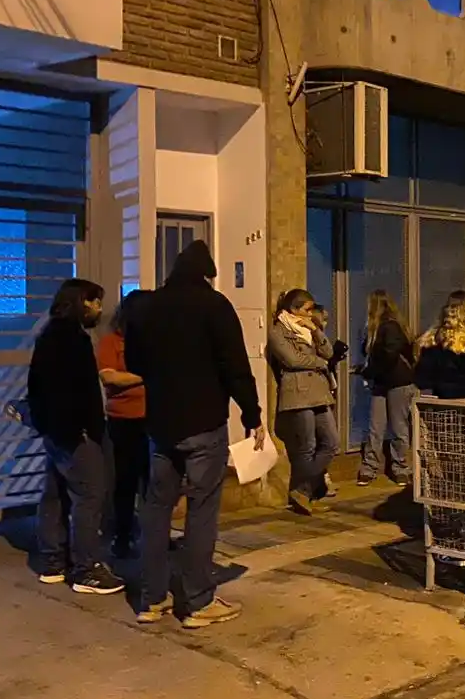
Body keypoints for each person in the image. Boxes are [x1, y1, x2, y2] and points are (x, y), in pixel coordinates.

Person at [127, 240, 264, 629]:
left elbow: (135, 362)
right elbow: (235, 365)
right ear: (206, 274)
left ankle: (151, 599)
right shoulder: (214, 305)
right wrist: (252, 414)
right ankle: (199, 602)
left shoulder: (147, 308)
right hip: (203, 423)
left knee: (155, 510)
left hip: (159, 425)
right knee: (201, 511)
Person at [28, 278, 124, 594]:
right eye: (96, 302)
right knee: (90, 495)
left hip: (55, 432)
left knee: (54, 495)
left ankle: (53, 562)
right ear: (83, 302)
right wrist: (90, 430)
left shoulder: (48, 336)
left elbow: (36, 387)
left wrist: (45, 424)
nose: (99, 309)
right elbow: (82, 393)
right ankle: (87, 569)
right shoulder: (74, 340)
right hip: (76, 434)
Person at [269, 288, 338, 514]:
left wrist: (316, 331)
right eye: (307, 310)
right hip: (298, 395)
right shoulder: (278, 332)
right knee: (306, 447)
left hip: (319, 392)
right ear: (294, 309)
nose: (310, 314)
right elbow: (292, 360)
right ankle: (303, 497)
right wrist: (319, 363)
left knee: (331, 442)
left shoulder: (310, 328)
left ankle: (304, 490)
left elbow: (329, 352)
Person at [96, 289, 153, 560]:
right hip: (124, 421)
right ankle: (122, 536)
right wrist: (146, 376)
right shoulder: (112, 341)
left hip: (153, 418)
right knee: (125, 482)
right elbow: (110, 378)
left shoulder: (155, 341)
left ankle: (154, 536)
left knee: (154, 483)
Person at [356, 289, 416, 487]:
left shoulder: (388, 327)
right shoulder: (384, 327)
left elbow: (388, 355)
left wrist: (369, 371)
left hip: (396, 381)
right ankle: (380, 467)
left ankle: (397, 467)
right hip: (386, 381)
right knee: (380, 426)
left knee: (393, 426)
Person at [309, 304, 349, 499]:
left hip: (327, 391)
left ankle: (320, 479)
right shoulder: (309, 337)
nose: (325, 323)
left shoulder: (320, 337)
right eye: (323, 319)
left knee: (328, 441)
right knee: (323, 441)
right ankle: (316, 481)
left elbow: (327, 358)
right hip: (317, 395)